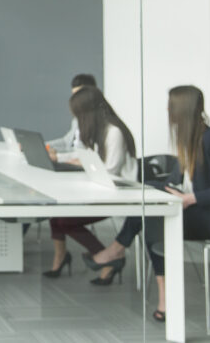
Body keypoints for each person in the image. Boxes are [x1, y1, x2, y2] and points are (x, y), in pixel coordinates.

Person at [86, 85, 210, 323]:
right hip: (198, 210)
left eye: (170, 106)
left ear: (181, 110)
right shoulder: (188, 139)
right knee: (150, 204)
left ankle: (120, 252)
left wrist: (191, 198)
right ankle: (127, 257)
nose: (166, 110)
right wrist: (163, 188)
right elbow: (178, 180)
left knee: (152, 216)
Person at [45, 86, 137, 279]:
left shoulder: (113, 132)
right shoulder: (99, 130)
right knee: (56, 215)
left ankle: (107, 258)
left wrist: (83, 164)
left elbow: (110, 170)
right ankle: (103, 259)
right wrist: (63, 159)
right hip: (101, 190)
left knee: (63, 220)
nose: (77, 121)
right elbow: (90, 160)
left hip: (118, 196)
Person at [46, 73, 96, 153]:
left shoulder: (95, 121)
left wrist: (55, 151)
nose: (76, 99)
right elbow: (66, 142)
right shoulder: (76, 119)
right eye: (74, 95)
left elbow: (80, 151)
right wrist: (45, 146)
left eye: (79, 94)